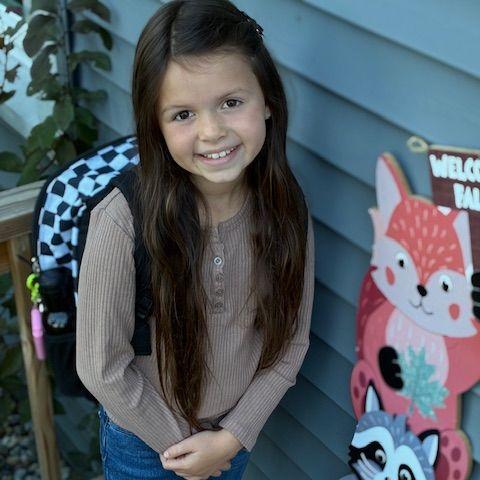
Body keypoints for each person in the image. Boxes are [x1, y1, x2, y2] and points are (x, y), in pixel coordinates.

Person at [76, 0, 315, 479]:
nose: (211, 131)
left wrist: (232, 437)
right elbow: (102, 365)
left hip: (233, 437)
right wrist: (184, 448)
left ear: (267, 100)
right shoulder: (122, 221)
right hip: (145, 445)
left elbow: (291, 340)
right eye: (183, 114)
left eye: (231, 103)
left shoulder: (284, 207)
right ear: (156, 125)